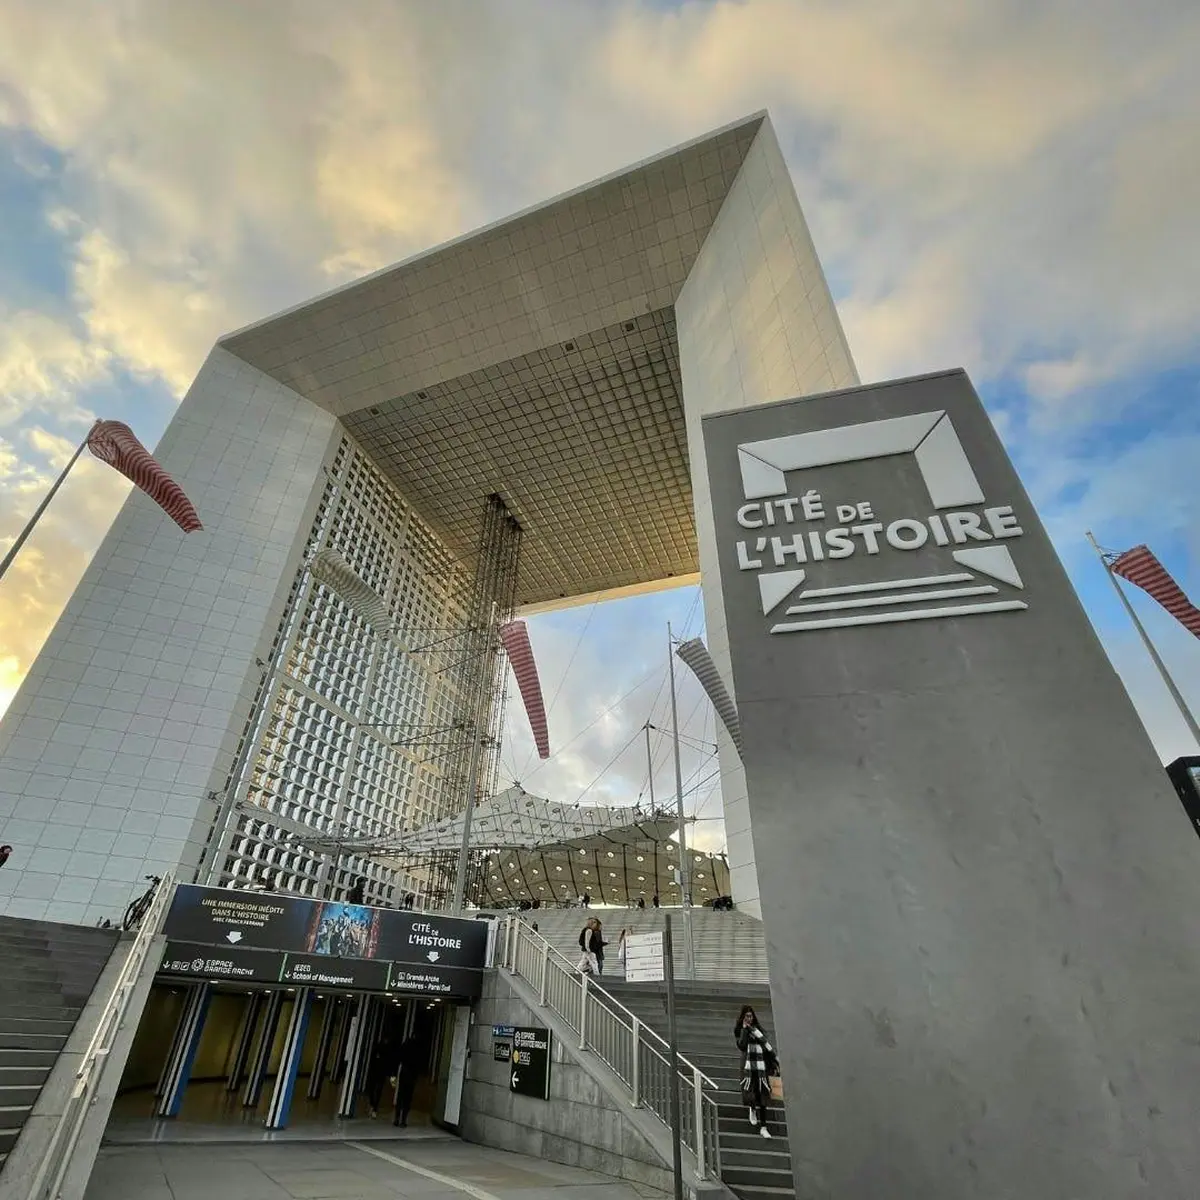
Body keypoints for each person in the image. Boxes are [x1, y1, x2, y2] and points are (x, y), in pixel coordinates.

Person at [735, 1004, 778, 1138]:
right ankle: (752, 1108)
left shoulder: (759, 1030)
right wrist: (744, 1030)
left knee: (763, 1095)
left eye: (751, 1015)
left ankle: (764, 1127)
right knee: (751, 1091)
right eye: (746, 1016)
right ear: (743, 1017)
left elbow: (766, 1047)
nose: (749, 1018)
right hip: (747, 1066)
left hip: (761, 1067)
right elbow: (742, 1046)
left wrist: (775, 1061)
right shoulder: (739, 1030)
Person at [392, 1036, 424, 1128]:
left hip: (404, 1072)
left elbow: (398, 1058)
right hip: (412, 1075)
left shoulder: (405, 1046)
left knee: (400, 1096)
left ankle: (397, 1118)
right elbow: (419, 1063)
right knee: (407, 1098)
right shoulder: (417, 1049)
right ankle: (403, 1120)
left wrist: (394, 1074)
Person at [365, 1035, 395, 1118]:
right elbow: (391, 1066)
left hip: (376, 1072)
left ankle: (373, 1106)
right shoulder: (388, 1050)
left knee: (374, 1090)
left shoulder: (378, 1048)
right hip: (380, 1073)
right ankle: (374, 1107)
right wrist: (393, 1081)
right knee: (377, 1091)